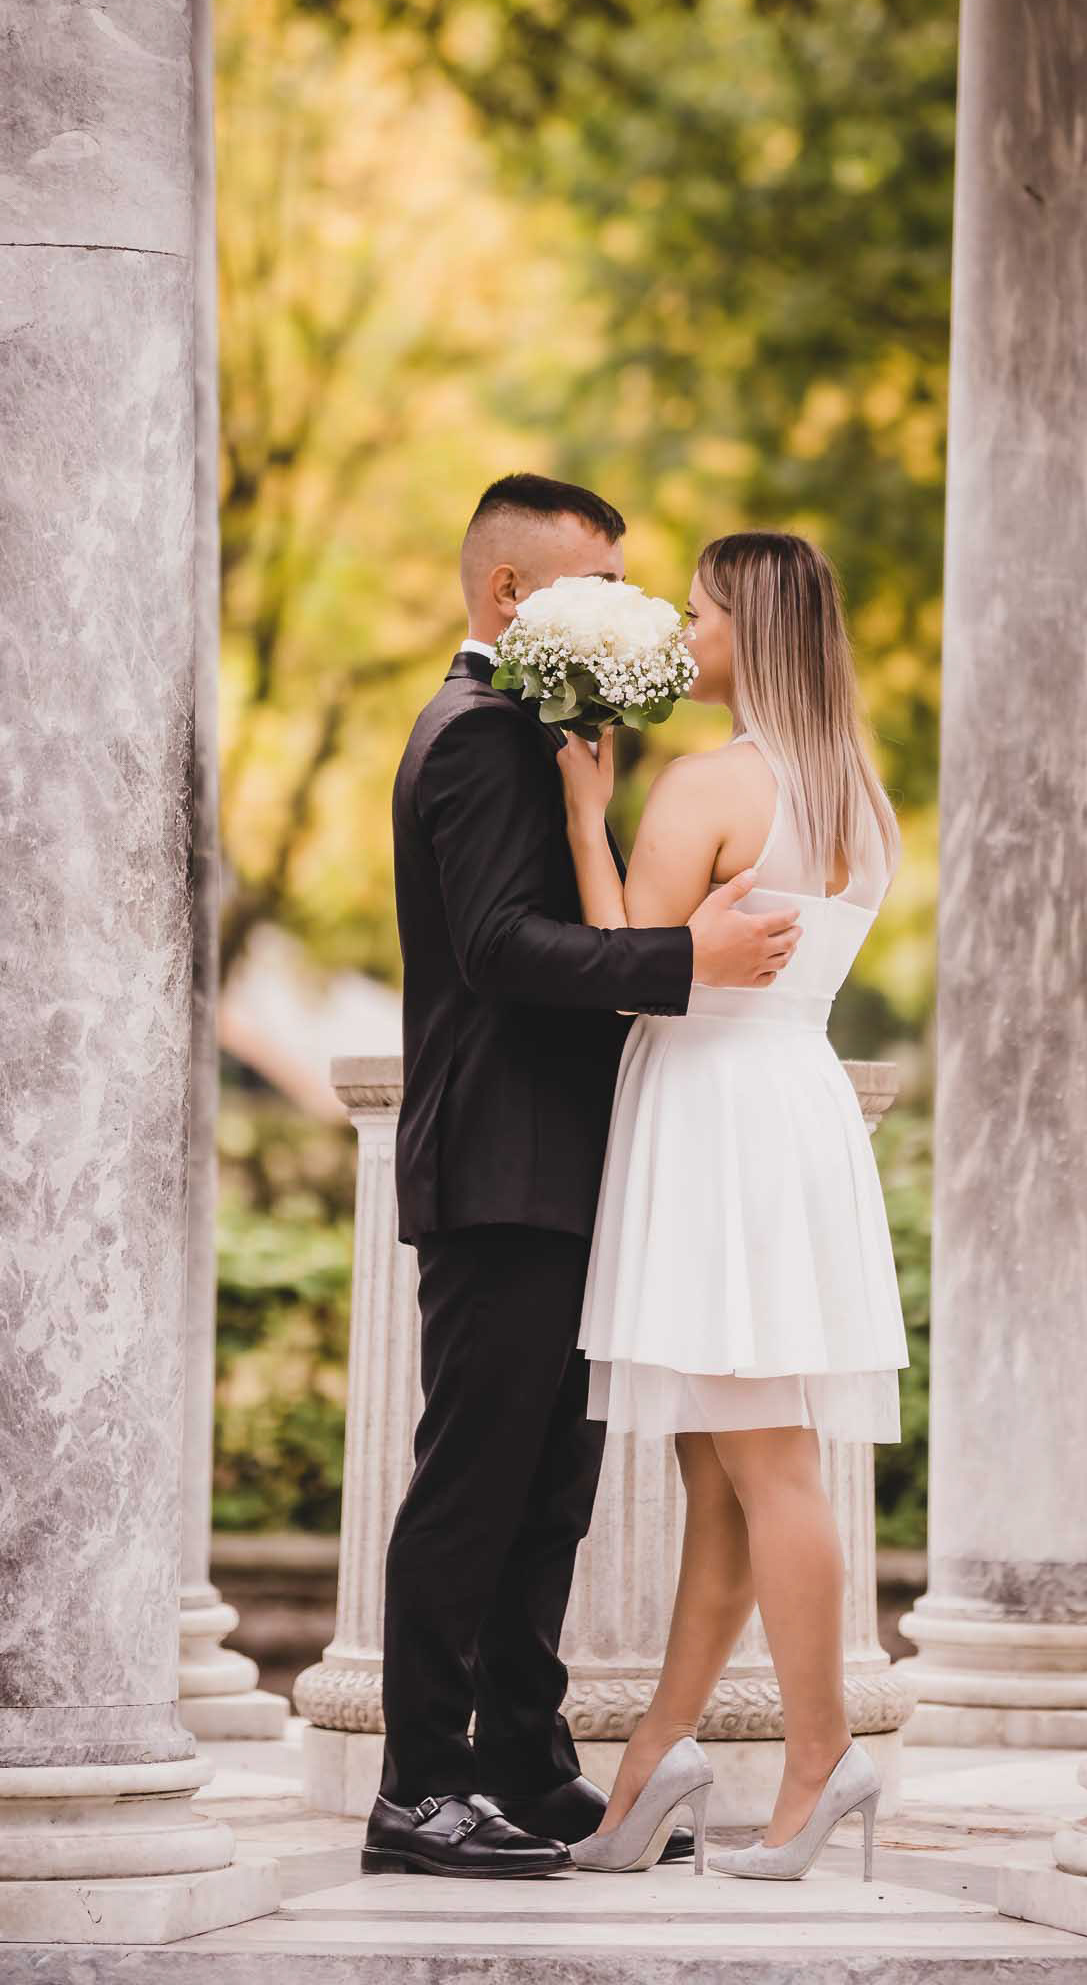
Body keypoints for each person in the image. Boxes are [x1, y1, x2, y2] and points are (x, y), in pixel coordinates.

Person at [362, 477, 805, 1881]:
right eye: (597, 584)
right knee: (474, 1485)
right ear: (509, 598)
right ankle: (419, 1786)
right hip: (502, 1165)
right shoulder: (483, 735)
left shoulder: (533, 737)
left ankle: (526, 1774)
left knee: (546, 1491)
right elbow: (500, 948)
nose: (628, 608)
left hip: (555, 1167)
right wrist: (689, 963)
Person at [556, 531, 908, 1882]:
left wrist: (587, 819)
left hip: (712, 1114)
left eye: (699, 616)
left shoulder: (709, 783)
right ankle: (657, 1750)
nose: (683, 638)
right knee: (721, 1469)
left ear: (748, 634)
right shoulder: (854, 796)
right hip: (788, 1105)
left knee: (764, 1461)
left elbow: (631, 971)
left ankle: (819, 1760)